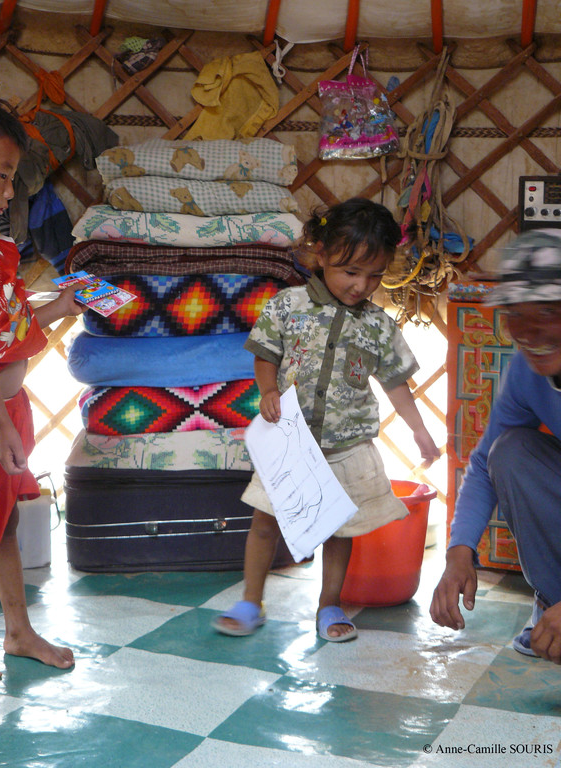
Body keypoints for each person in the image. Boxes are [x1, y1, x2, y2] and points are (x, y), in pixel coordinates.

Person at [213, 197, 440, 642]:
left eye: (374, 276)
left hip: (347, 446)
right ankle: (250, 602)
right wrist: (268, 391)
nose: (362, 286)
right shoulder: (287, 304)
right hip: (291, 442)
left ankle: (329, 605)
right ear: (320, 255)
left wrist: (419, 428)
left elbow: (396, 382)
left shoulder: (378, 325)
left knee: (340, 529)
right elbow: (265, 355)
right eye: (350, 272)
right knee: (265, 521)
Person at [0, 100, 85, 682]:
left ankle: (18, 631)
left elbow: (13, 323)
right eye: (1, 174)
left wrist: (64, 305)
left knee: (2, 523)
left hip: (9, 409)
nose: (9, 192)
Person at [430, 228, 561, 665]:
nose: (529, 331)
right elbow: (485, 462)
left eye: (548, 311)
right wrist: (458, 553)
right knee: (510, 451)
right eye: (515, 314)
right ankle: (552, 607)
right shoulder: (527, 373)